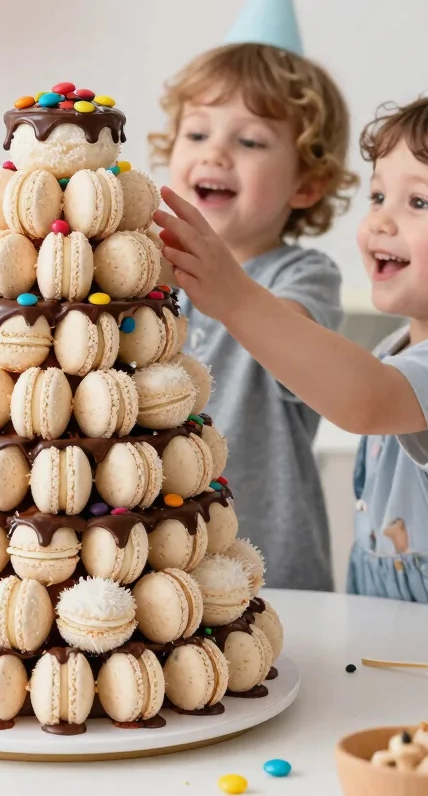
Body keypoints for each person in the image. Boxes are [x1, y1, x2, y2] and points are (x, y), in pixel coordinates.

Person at [156, 97, 428, 603]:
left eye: (419, 203)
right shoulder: (395, 350)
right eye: (378, 197)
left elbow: (366, 401)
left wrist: (236, 299)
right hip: (384, 624)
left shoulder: (306, 283)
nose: (381, 222)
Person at [149, 41, 357, 591]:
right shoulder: (150, 270)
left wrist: (230, 292)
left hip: (271, 572)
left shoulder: (303, 275)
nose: (216, 153)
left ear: (306, 184)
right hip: (158, 563)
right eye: (197, 134)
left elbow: (295, 348)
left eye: (250, 141)